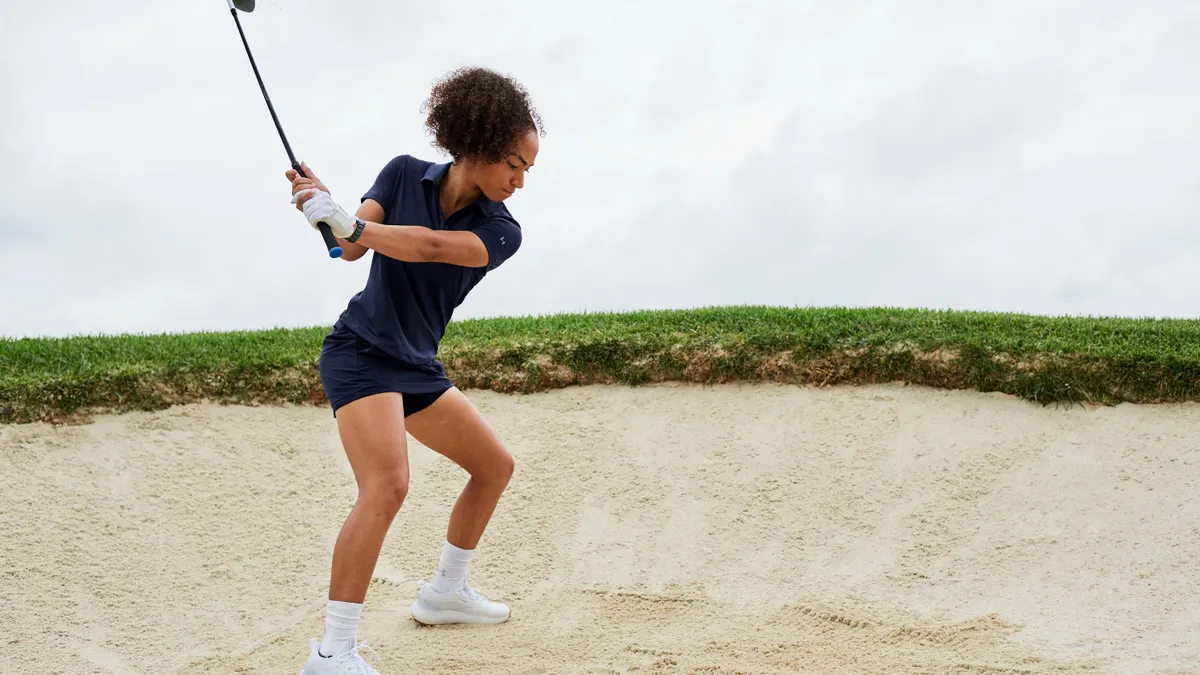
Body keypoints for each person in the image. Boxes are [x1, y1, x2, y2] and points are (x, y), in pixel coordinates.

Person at [288, 65, 543, 675]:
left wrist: (356, 226)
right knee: (388, 485)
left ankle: (445, 592)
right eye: (513, 163)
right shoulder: (402, 172)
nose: (519, 180)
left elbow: (426, 246)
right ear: (475, 145)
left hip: (414, 365)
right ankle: (332, 651)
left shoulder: (500, 230)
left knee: (493, 466)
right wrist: (323, 209)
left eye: (527, 170)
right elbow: (348, 248)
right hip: (360, 352)